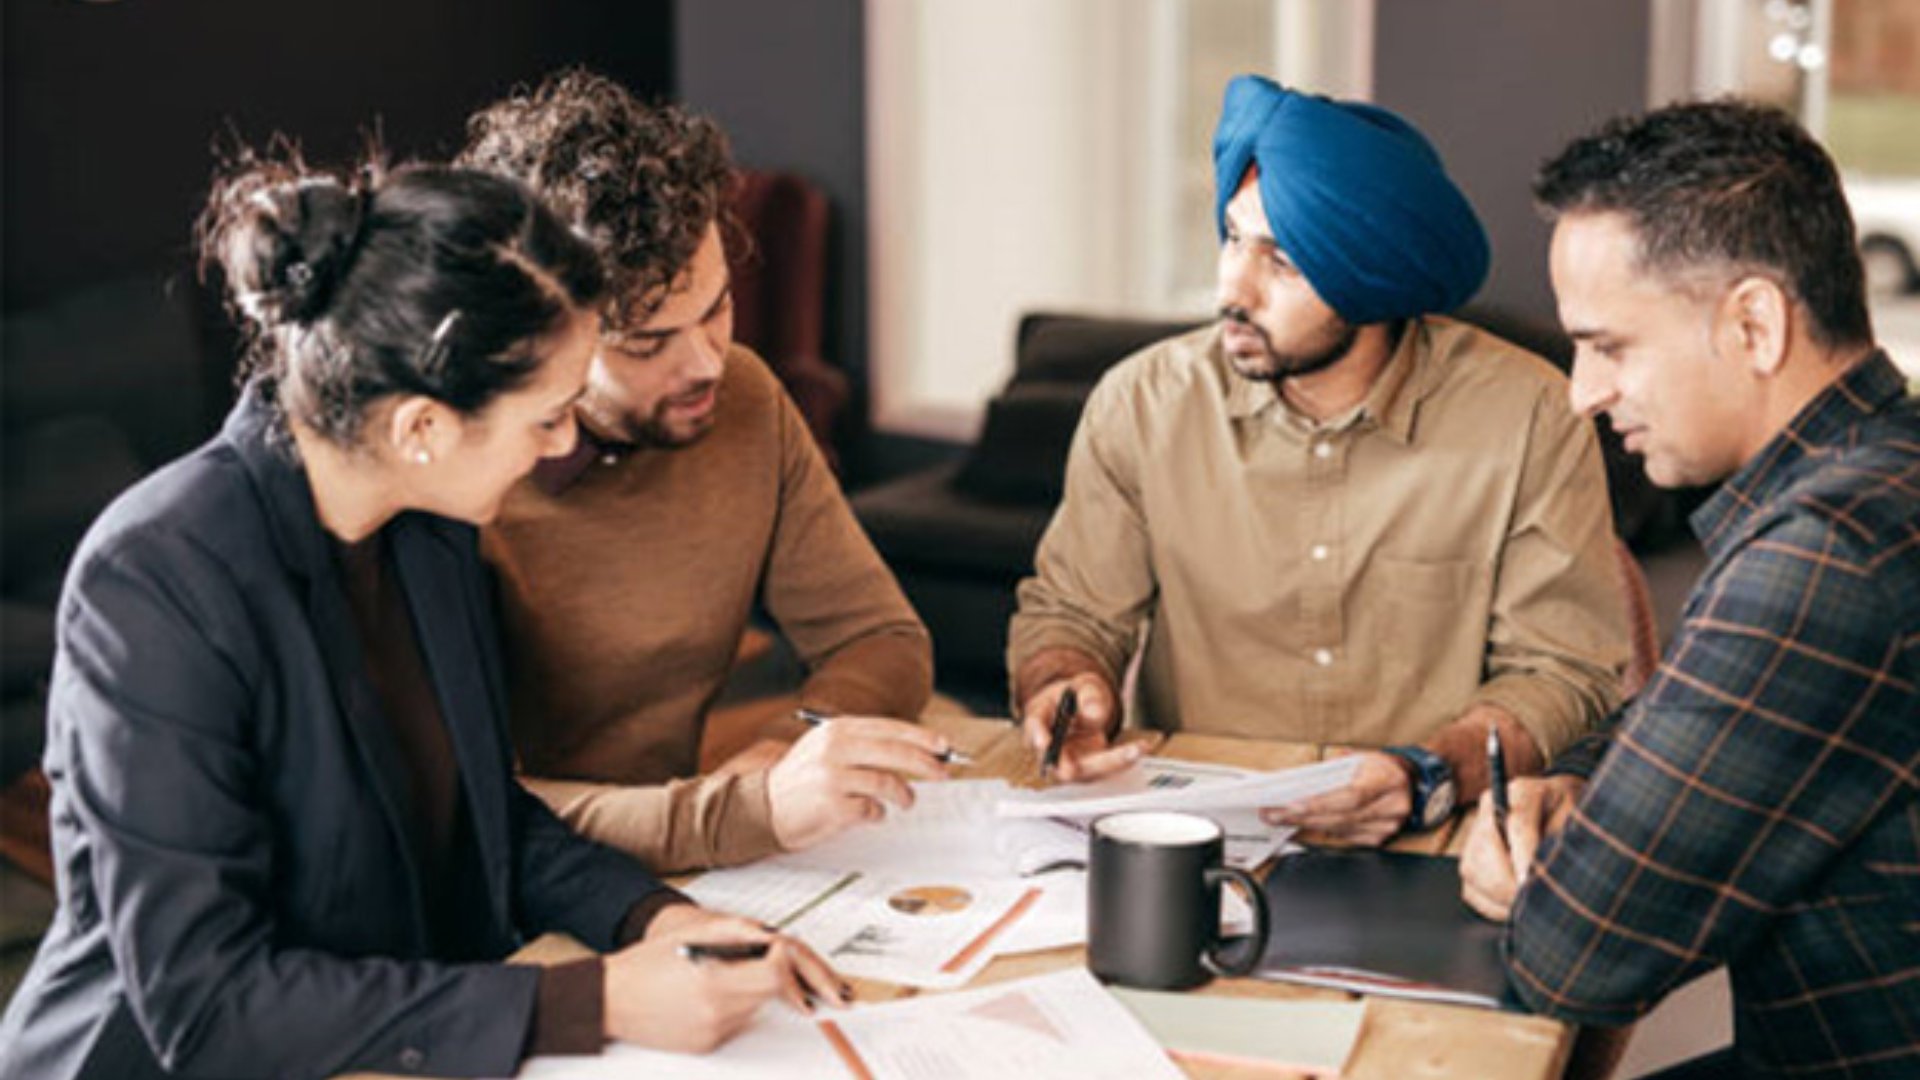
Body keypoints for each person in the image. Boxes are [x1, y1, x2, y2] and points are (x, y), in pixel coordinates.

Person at [0, 152, 844, 1080]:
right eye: (548, 416)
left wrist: (654, 916)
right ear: (422, 428)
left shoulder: (427, 532)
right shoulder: (154, 583)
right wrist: (592, 1001)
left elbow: (488, 821)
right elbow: (209, 1003)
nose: (568, 442)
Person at [1008, 74, 1629, 846]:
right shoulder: (1141, 403)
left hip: (1425, 842)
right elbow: (1073, 615)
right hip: (1189, 840)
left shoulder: (1529, 416)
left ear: (1371, 281)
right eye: (1233, 238)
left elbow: (1562, 673)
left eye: (1283, 262)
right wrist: (1066, 683)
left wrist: (1426, 773)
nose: (1231, 289)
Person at [1459, 101, 1919, 1079]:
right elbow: (1699, 714)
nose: (1583, 393)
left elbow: (1572, 955)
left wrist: (1529, 874)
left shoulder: (1825, 553)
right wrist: (1585, 782)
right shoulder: (1882, 471)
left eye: (1610, 346)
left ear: (1753, 322)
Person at [456, 70, 949, 874]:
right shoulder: (465, 477)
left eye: (717, 306)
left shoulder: (746, 398)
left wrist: (792, 746)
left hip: (690, 859)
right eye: (647, 343)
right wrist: (736, 814)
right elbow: (470, 810)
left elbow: (880, 638)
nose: (706, 362)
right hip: (524, 894)